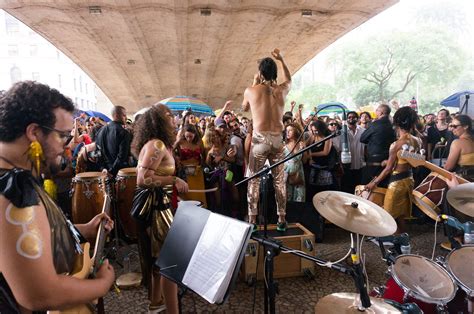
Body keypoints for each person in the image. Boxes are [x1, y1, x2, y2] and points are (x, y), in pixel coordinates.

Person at [0, 81, 115, 313]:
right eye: (63, 136)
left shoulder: (16, 176)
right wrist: (101, 285)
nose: (66, 147)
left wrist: (81, 229)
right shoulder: (14, 191)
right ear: (34, 132)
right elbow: (40, 293)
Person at [131, 104, 188, 314]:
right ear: (158, 121)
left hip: (160, 206)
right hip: (156, 211)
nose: (173, 120)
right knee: (169, 265)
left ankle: (156, 303)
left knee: (158, 262)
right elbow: (142, 179)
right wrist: (174, 179)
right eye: (168, 116)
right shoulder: (157, 145)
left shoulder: (159, 144)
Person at [241, 48, 291, 231]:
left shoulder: (251, 90)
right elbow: (289, 79)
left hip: (260, 140)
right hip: (278, 139)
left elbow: (244, 108)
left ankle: (253, 220)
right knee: (279, 180)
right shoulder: (282, 90)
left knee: (253, 179)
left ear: (260, 73)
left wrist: (254, 82)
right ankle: (281, 219)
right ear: (275, 73)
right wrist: (282, 59)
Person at [366, 107, 421, 234]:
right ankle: (404, 237)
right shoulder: (417, 140)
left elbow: (388, 169)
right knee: (400, 213)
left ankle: (397, 243)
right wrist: (394, 160)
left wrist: (373, 183)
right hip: (409, 179)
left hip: (397, 183)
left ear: (395, 122)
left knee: (389, 215)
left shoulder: (396, 144)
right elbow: (415, 162)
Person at [360, 104, 397, 186]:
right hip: (388, 160)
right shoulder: (393, 126)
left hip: (374, 160)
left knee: (367, 186)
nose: (375, 112)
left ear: (382, 113)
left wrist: (372, 141)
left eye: (377, 110)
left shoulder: (375, 124)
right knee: (383, 187)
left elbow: (362, 138)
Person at [174, 124, 207, 207]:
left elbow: (203, 154)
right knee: (187, 193)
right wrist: (177, 159)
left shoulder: (199, 141)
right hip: (184, 171)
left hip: (197, 172)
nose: (189, 139)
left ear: (195, 135)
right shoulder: (180, 141)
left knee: (198, 194)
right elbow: (171, 151)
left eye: (191, 137)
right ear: (184, 134)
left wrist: (201, 164)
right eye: (187, 136)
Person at [95, 105, 132, 176]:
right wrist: (111, 171)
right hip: (120, 173)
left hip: (105, 172)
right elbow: (122, 156)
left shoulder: (100, 131)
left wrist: (103, 168)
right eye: (124, 115)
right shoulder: (123, 132)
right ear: (116, 115)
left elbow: (97, 153)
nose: (126, 118)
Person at [340, 111, 366, 194]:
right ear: (346, 119)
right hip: (347, 165)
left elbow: (366, 147)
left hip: (360, 163)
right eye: (349, 117)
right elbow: (338, 149)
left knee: (358, 188)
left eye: (353, 117)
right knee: (348, 188)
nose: (351, 119)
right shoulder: (342, 132)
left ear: (357, 119)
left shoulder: (363, 131)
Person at [444, 114, 474, 181]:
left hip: (463, 183)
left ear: (465, 126)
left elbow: (448, 168)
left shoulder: (457, 143)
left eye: (455, 126)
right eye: (451, 126)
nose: (452, 129)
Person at [284, 123, 308, 202]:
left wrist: (304, 148)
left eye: (290, 130)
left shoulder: (301, 144)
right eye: (286, 131)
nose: (287, 133)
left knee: (299, 197)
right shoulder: (283, 145)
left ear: (296, 131)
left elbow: (304, 161)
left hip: (299, 173)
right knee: (287, 198)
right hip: (286, 174)